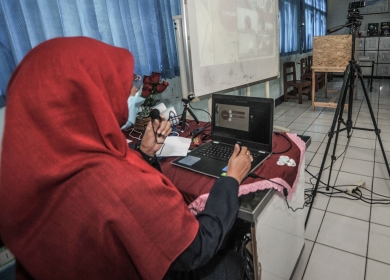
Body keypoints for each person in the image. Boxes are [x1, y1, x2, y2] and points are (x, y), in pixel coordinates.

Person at [0, 37, 252, 279]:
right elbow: (196, 249)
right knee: (233, 262)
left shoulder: (29, 174)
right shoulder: (115, 182)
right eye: (119, 81)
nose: (133, 90)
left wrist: (144, 153)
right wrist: (230, 179)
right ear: (88, 93)